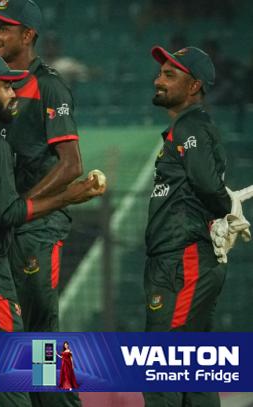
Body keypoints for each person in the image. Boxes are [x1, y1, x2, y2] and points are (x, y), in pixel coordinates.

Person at [0, 51, 105, 407]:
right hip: (2, 256)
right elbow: (8, 211)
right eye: (6, 87)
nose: (13, 93)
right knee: (42, 336)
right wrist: (67, 197)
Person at [0, 0, 84, 335]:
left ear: (27, 35)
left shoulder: (49, 86)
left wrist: (22, 206)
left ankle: (46, 372)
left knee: (38, 325)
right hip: (4, 226)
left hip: (37, 226)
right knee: (8, 324)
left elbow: (72, 165)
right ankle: (22, 373)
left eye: (3, 28)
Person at [144, 45, 231, 407]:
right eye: (160, 73)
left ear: (194, 86)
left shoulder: (191, 126)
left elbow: (208, 186)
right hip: (184, 257)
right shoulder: (187, 127)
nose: (158, 80)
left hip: (183, 259)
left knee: (161, 367)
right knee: (194, 369)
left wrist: (227, 210)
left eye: (169, 75)